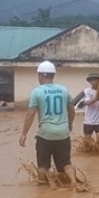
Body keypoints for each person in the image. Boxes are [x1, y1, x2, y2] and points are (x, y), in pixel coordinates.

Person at [19, 60, 77, 189]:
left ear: (41, 75)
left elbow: (30, 114)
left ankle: (44, 188)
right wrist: (69, 125)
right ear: (53, 75)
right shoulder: (64, 90)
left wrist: (24, 134)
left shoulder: (37, 92)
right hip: (63, 134)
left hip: (45, 135)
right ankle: (73, 182)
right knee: (66, 163)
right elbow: (72, 110)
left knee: (43, 165)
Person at [81, 73, 99, 151]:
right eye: (91, 80)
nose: (93, 82)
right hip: (88, 121)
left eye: (95, 80)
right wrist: (96, 98)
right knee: (87, 144)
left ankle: (96, 154)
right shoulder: (87, 91)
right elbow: (87, 103)